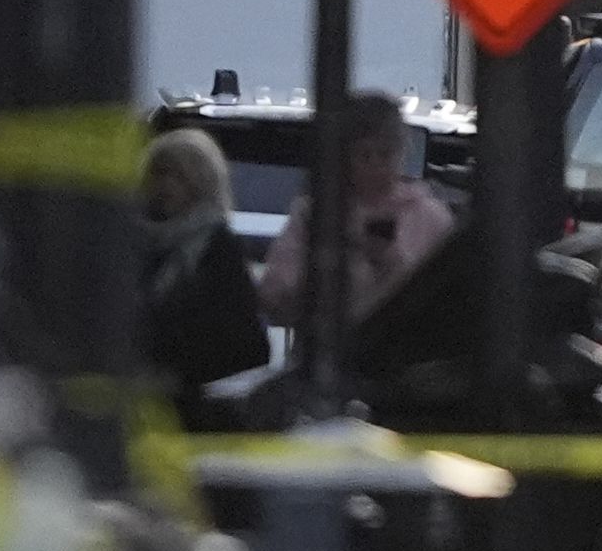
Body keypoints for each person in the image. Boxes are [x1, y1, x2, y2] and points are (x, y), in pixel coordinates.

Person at [258, 91, 457, 329]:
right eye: (364, 155)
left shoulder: (430, 218)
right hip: (328, 354)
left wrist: (391, 263)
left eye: (385, 154)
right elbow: (274, 295)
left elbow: (448, 304)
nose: (375, 165)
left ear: (402, 153)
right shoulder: (314, 214)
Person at [136, 128, 271, 393]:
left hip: (194, 397)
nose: (164, 185)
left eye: (178, 176)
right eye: (159, 173)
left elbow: (245, 346)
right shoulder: (133, 243)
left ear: (200, 183)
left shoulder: (217, 249)